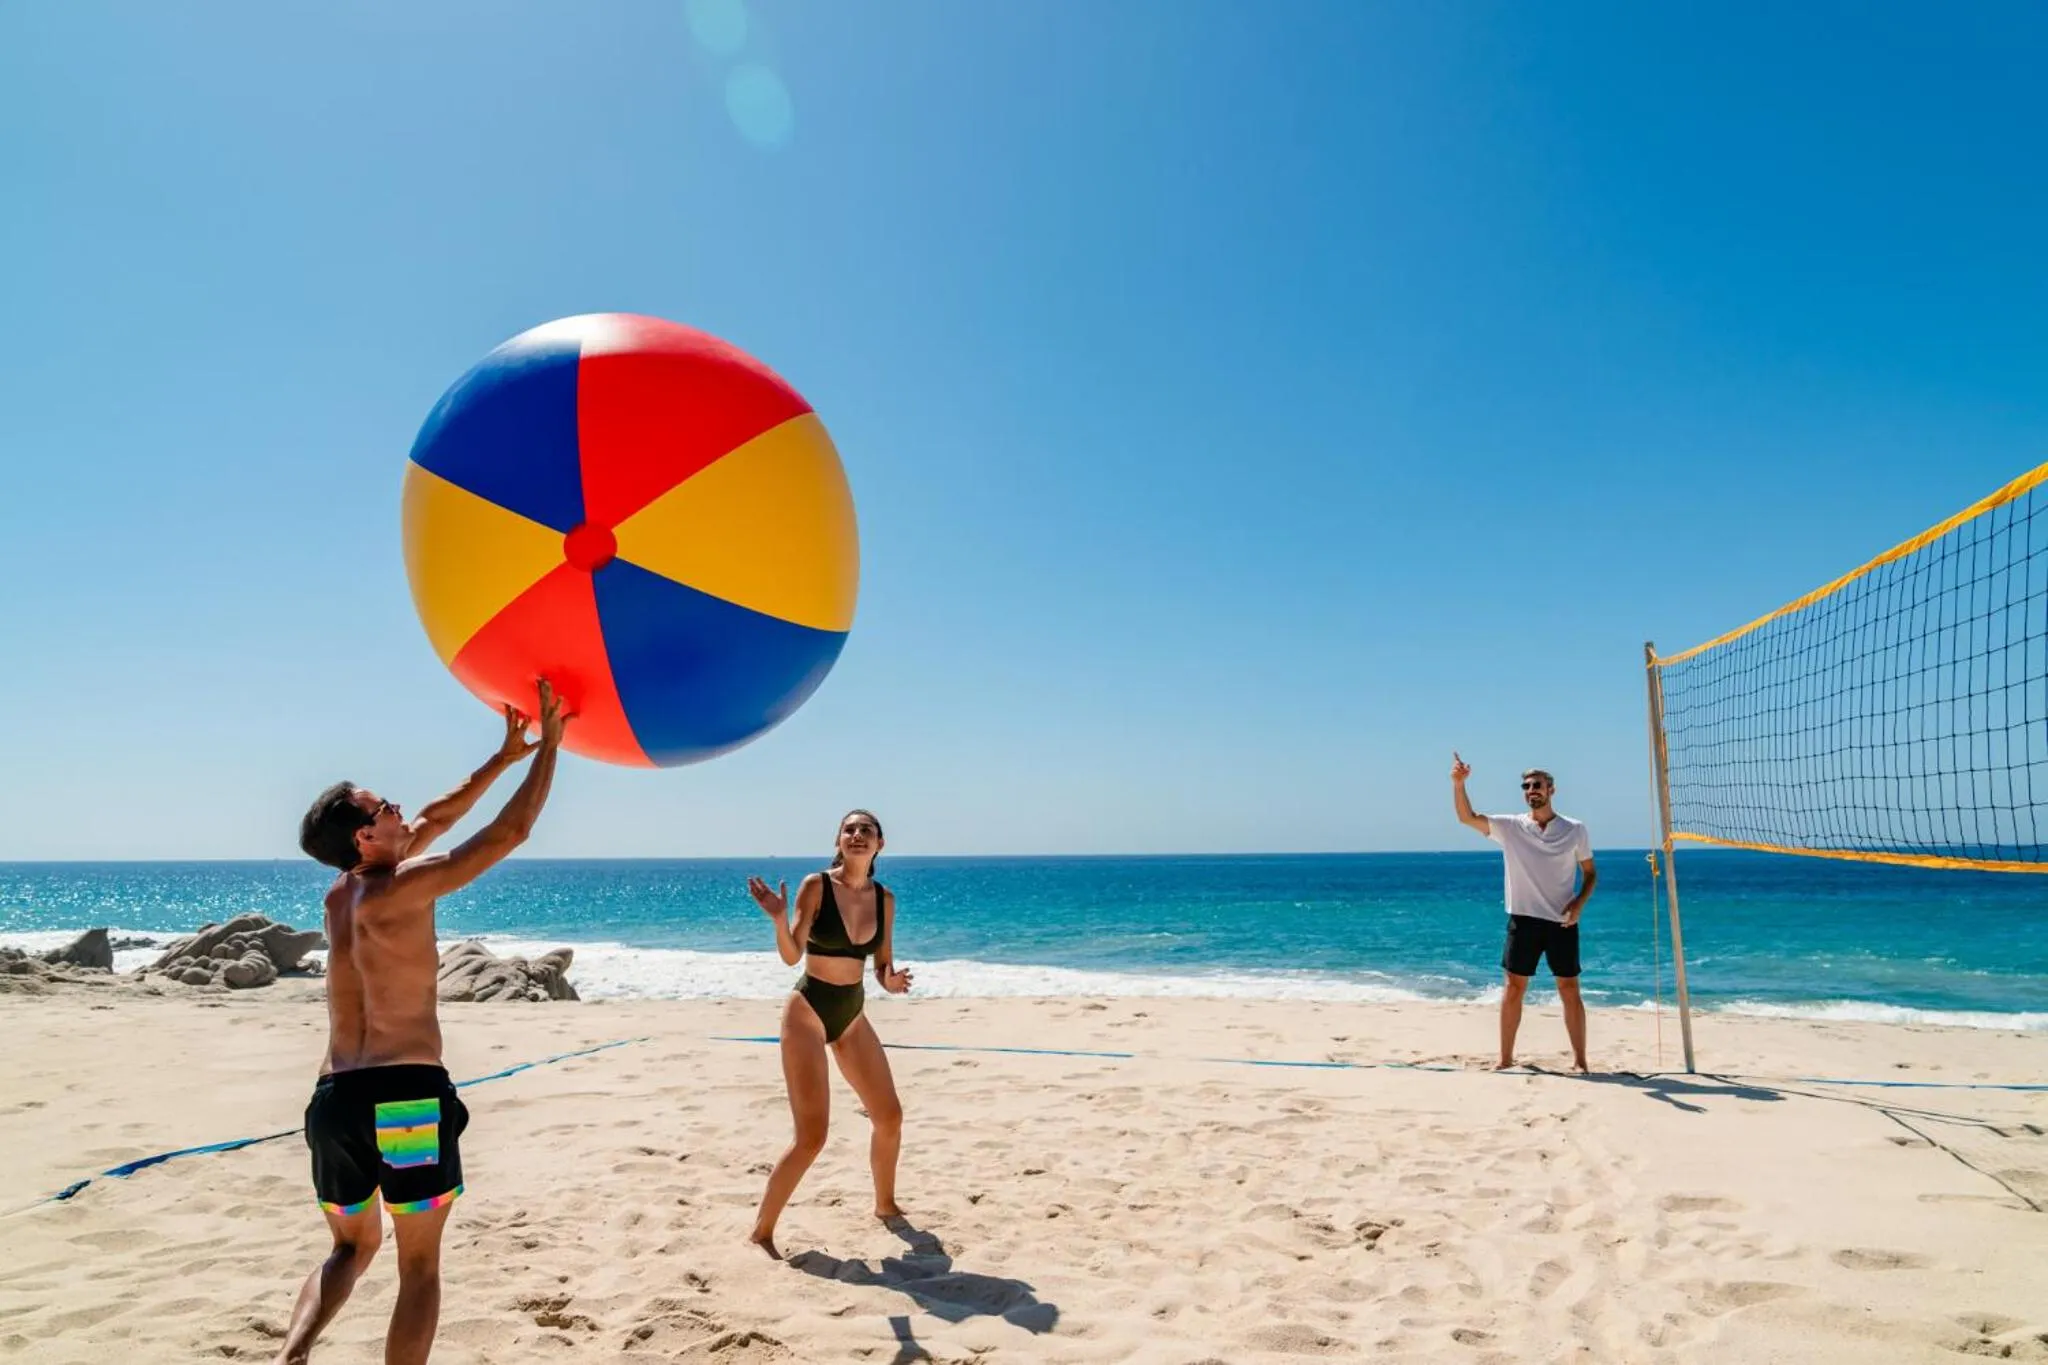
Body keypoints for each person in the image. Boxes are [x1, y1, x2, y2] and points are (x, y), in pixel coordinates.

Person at [274, 683, 569, 1365]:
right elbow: (509, 834)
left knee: (349, 1248)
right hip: (405, 1096)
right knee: (419, 1267)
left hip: (334, 1103)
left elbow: (437, 815)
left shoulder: (340, 895)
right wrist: (550, 747)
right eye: (384, 807)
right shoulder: (405, 886)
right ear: (364, 834)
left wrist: (504, 757)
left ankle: (291, 1354)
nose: (400, 808)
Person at [744, 809, 914, 1259]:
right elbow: (791, 955)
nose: (857, 835)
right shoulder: (816, 886)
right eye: (849, 830)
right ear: (839, 841)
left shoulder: (885, 899)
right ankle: (762, 1232)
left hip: (852, 1014)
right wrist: (779, 920)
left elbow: (881, 965)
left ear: (880, 844)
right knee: (812, 1137)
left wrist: (891, 981)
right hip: (808, 1011)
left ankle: (885, 1204)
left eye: (866, 830)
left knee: (890, 1117)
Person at [1450, 752, 1597, 1073]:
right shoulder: (1511, 826)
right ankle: (1505, 1060)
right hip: (1523, 920)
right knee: (1514, 988)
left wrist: (1578, 904)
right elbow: (1466, 817)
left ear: (1551, 790)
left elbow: (1590, 873)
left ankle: (1581, 1062)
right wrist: (1459, 784)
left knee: (1569, 989)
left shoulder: (1575, 829)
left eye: (1537, 785)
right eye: (1527, 786)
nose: (1532, 791)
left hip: (1562, 922)